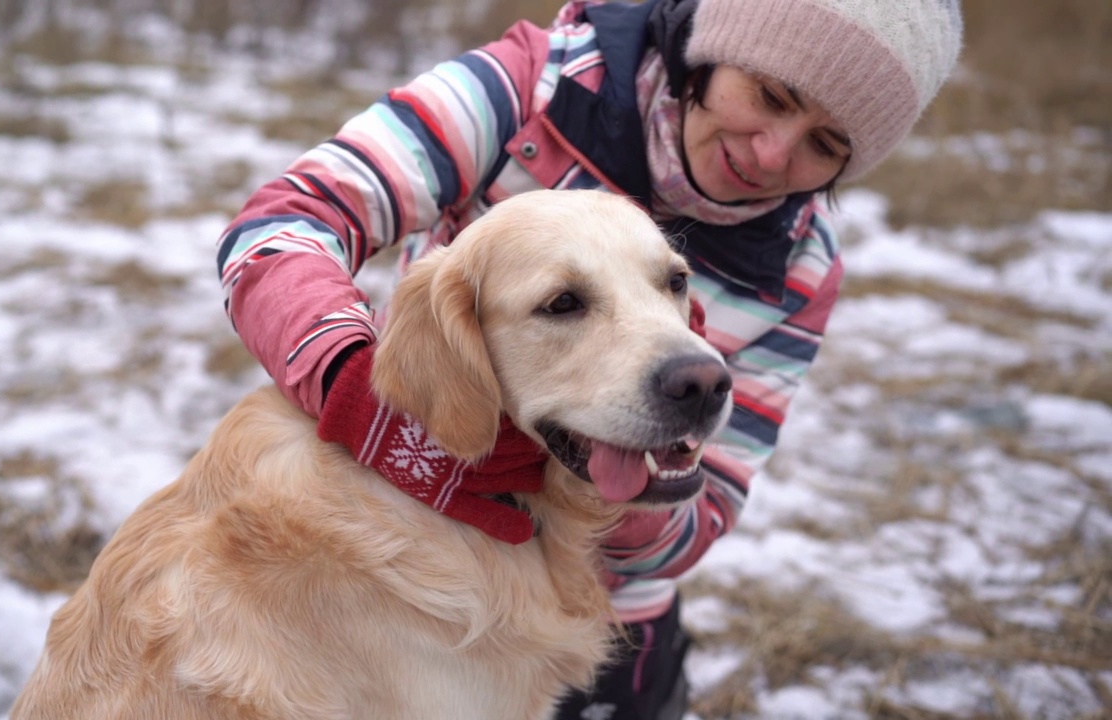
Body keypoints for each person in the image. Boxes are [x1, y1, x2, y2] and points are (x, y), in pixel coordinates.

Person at [215, 0, 963, 716]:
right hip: (404, 517)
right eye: (769, 94)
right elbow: (278, 229)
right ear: (714, 43)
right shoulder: (523, 88)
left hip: (602, 590)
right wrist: (357, 386)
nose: (772, 153)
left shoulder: (802, 262)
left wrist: (607, 488)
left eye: (825, 146)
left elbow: (706, 508)